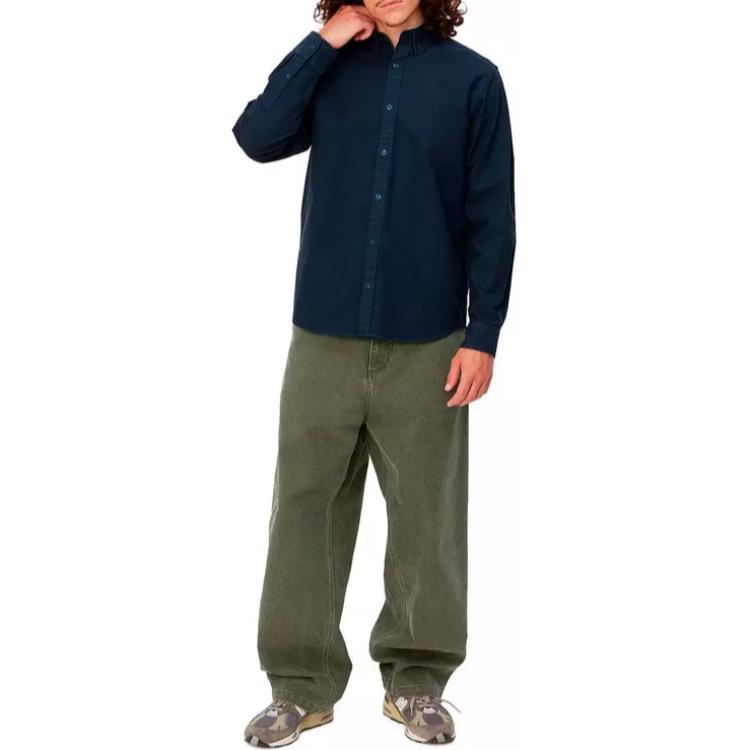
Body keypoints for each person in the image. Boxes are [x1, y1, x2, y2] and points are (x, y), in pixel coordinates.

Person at [232, 0, 515, 744]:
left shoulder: (474, 80)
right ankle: (299, 687)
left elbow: (492, 214)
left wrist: (483, 334)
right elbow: (256, 137)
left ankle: (417, 684)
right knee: (305, 506)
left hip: (429, 338)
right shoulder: (328, 68)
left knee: (428, 515)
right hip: (323, 332)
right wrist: (322, 43)